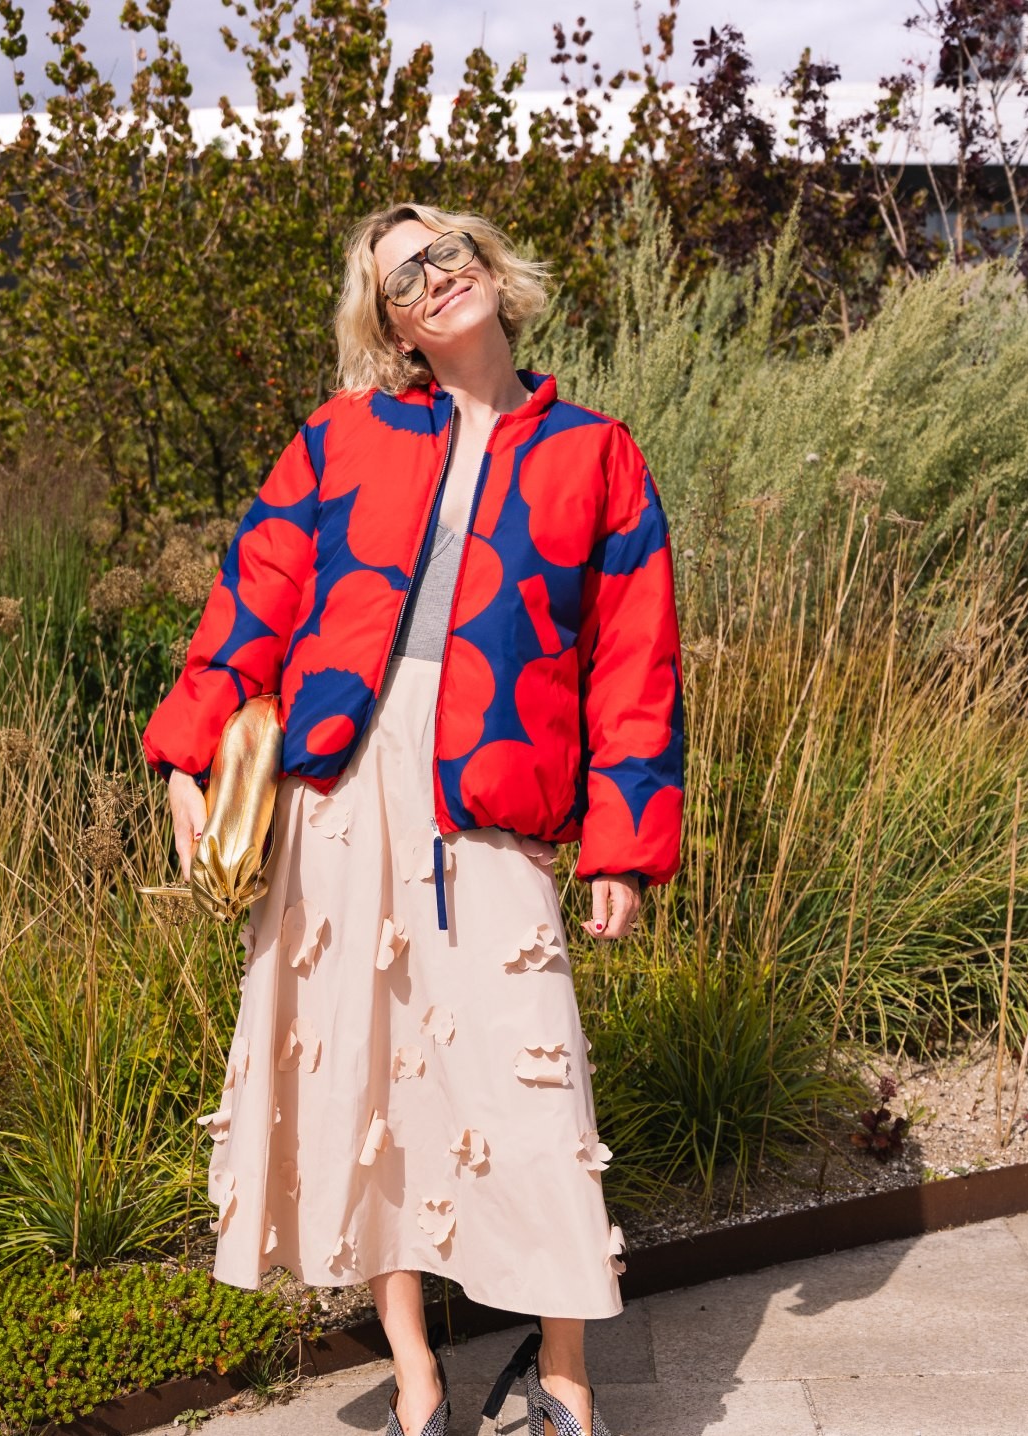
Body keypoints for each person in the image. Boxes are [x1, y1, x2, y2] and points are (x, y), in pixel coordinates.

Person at [142, 202, 685, 1436]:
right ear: (388, 327)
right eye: (401, 280)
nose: (433, 279)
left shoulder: (595, 452)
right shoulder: (342, 437)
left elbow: (633, 659)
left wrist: (623, 841)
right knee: (365, 1069)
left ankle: (561, 1377)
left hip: (492, 790)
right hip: (337, 791)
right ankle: (421, 1377)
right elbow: (258, 589)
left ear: (491, 269)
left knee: (527, 1069)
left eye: (445, 254)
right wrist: (185, 749)